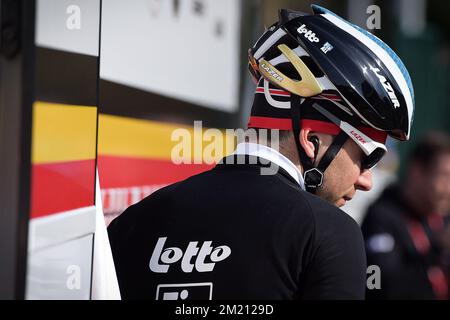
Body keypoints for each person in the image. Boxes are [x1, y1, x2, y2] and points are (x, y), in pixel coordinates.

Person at [108, 5, 414, 300]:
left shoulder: (131, 224)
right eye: (368, 157)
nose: (367, 181)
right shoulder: (330, 234)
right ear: (312, 139)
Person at [362, 132, 450, 300]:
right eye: (444, 176)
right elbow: (377, 285)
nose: (449, 189)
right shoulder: (382, 217)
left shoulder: (441, 218)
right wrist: (437, 249)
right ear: (417, 171)